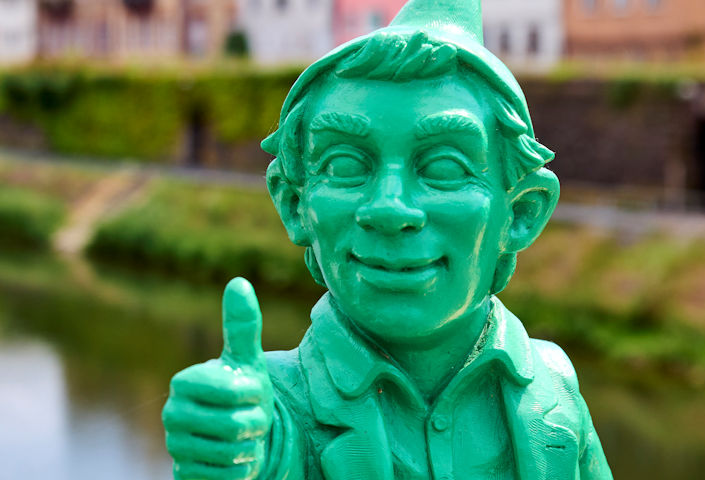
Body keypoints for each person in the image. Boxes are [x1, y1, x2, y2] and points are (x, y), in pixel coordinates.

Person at [159, 1, 612, 478]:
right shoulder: (278, 410)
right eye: (345, 167)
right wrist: (240, 451)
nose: (389, 209)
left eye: (443, 169)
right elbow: (268, 454)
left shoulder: (553, 387)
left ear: (521, 212)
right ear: (295, 205)